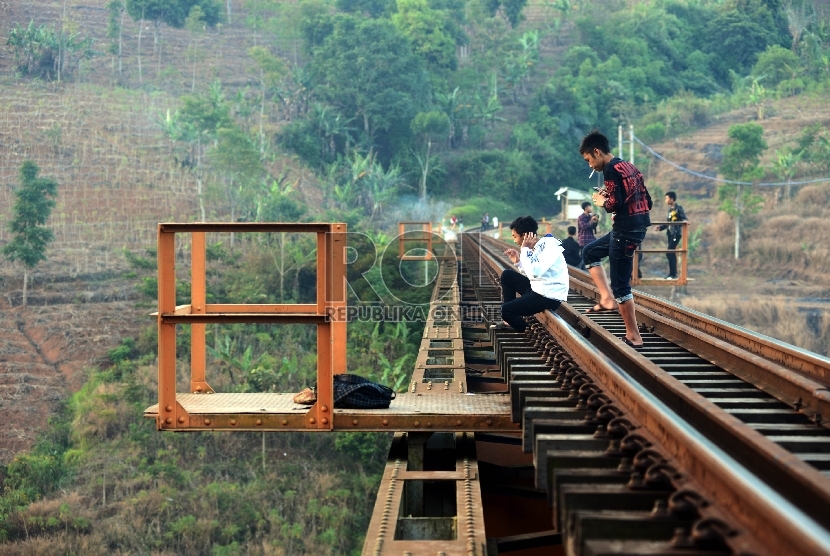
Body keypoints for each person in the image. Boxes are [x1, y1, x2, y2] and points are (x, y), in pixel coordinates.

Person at [579, 130, 653, 348]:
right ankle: (607, 299)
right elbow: (646, 199)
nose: (590, 165)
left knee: (621, 285)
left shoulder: (610, 170)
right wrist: (613, 199)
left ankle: (634, 336)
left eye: (589, 160)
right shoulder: (628, 166)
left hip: (625, 231)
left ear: (597, 151)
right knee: (590, 252)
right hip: (635, 227)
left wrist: (603, 202)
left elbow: (615, 203)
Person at [492, 215, 568, 332]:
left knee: (506, 310)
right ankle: (509, 321)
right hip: (538, 288)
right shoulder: (538, 246)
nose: (514, 240)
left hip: (548, 296)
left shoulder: (548, 247)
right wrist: (518, 262)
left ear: (525, 236)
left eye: (515, 236)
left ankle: (525, 329)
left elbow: (534, 273)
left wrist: (525, 249)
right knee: (507, 275)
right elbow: (532, 273)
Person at [654, 191, 687, 279]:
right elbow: (668, 223)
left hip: (676, 233)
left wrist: (684, 222)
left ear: (672, 199)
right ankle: (673, 274)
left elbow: (684, 218)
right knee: (671, 253)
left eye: (667, 198)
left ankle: (673, 274)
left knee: (669, 252)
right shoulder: (670, 210)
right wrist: (660, 227)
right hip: (670, 234)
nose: (666, 200)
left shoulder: (678, 208)